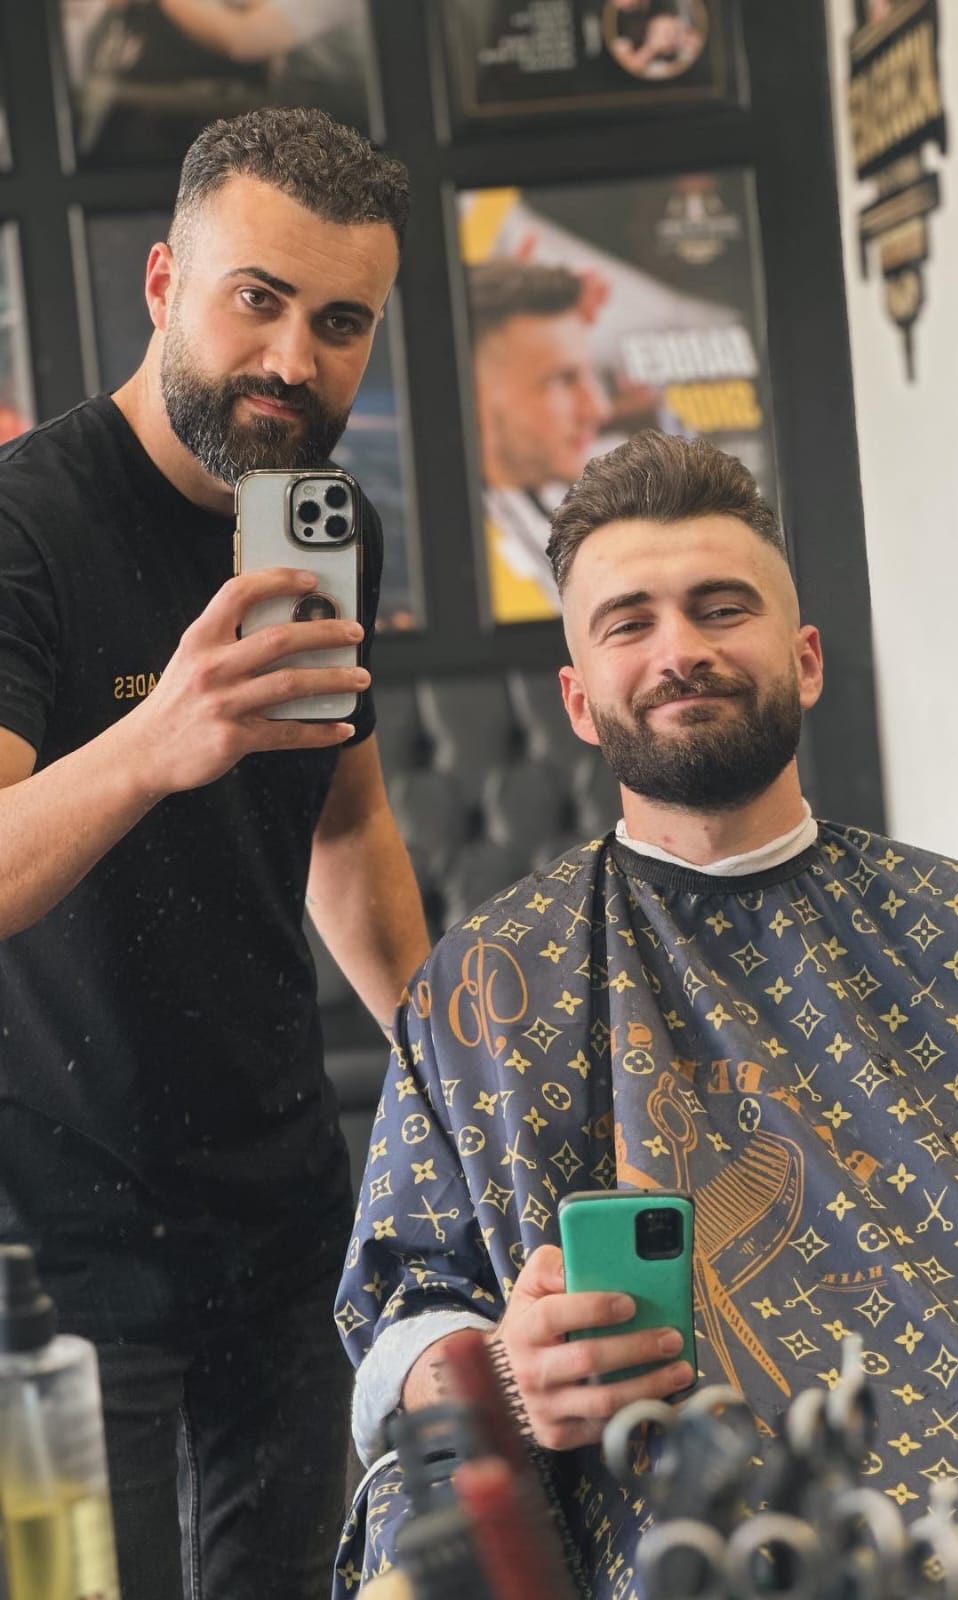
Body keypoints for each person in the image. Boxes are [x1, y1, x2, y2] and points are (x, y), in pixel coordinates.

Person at [335, 431, 958, 1595]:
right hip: (718, 1522)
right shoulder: (487, 985)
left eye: (720, 607)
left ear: (806, 658)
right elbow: (396, 1322)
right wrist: (498, 1373)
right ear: (578, 700)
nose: (680, 650)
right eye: (629, 622)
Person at [0, 107, 429, 1599]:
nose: (292, 361)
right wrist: (160, 738)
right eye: (258, 299)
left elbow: (347, 819)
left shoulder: (321, 525)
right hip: (62, 1250)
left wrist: (452, 1078)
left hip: (284, 1225)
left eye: (340, 323)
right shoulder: (22, 528)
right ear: (164, 281)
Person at [468, 258, 610, 619]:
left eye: (588, 375)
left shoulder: (567, 506)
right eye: (563, 380)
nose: (597, 408)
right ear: (475, 394)